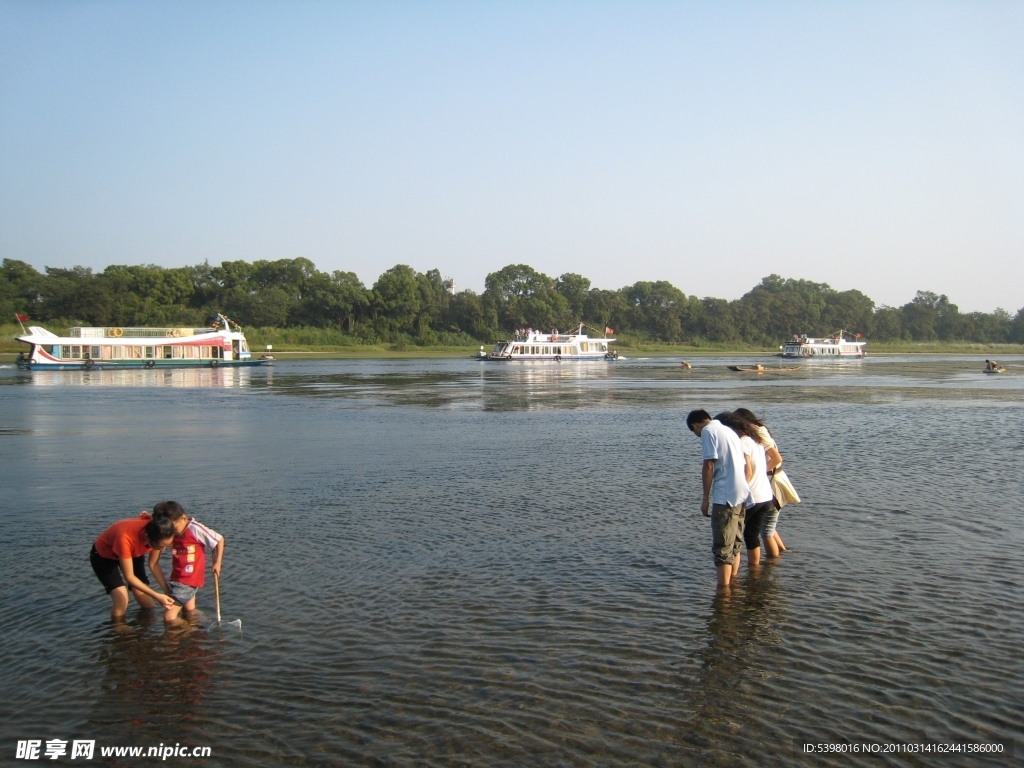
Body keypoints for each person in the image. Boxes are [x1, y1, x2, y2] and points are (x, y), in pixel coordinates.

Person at [686, 409, 752, 588]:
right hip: (741, 493)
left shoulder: (708, 431)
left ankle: (723, 594)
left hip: (725, 496)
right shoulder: (729, 431)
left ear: (695, 426)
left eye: (695, 433)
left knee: (722, 547)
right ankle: (733, 583)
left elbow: (708, 465)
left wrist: (705, 498)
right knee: (735, 543)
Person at [149, 502, 225, 623]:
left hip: (189, 579)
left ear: (183, 518)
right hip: (177, 576)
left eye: (174, 528)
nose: (172, 532)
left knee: (169, 617)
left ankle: (189, 630)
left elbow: (219, 539)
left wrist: (217, 562)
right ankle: (200, 628)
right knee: (190, 611)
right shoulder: (170, 529)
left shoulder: (195, 529)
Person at [716, 412, 774, 567]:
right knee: (751, 535)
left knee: (735, 538)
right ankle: (754, 571)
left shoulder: (741, 443)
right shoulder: (756, 440)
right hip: (765, 495)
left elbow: (747, 471)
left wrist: (739, 491)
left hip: (752, 497)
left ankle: (733, 578)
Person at [91, 512, 176, 619]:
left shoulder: (159, 531)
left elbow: (153, 564)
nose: (163, 549)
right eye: (161, 546)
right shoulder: (125, 538)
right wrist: (157, 596)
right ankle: (119, 628)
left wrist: (167, 591)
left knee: (140, 592)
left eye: (166, 545)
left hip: (134, 551)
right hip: (104, 556)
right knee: (121, 598)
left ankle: (149, 622)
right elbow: (129, 577)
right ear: (147, 537)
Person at [735, 408, 787, 556]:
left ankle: (772, 562)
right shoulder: (758, 431)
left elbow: (777, 458)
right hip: (769, 481)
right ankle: (782, 553)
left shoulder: (758, 432)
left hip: (771, 481)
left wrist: (760, 474)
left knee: (766, 530)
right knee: (767, 525)